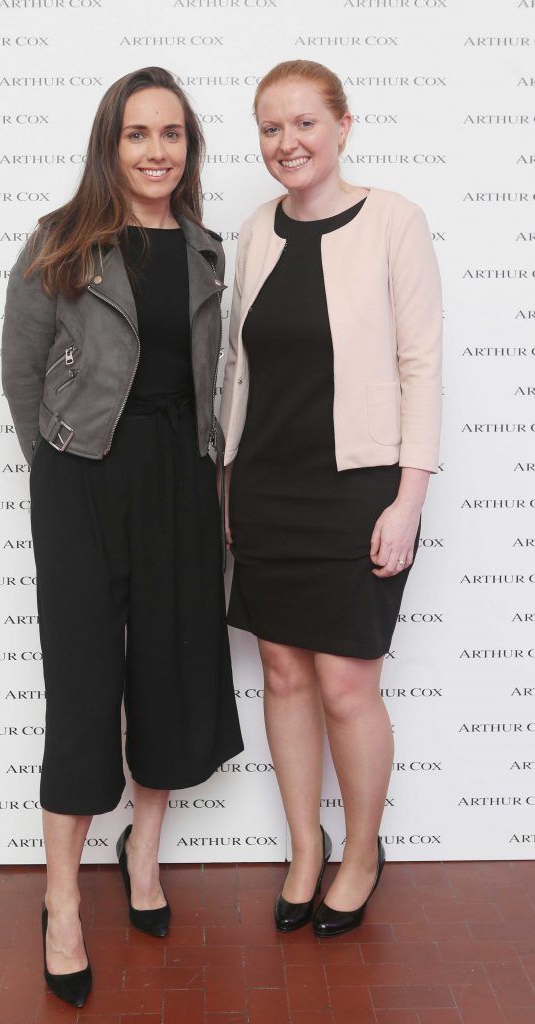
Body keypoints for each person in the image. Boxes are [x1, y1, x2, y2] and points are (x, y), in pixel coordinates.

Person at [1, 66, 243, 1007]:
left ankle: (146, 852)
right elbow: (22, 374)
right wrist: (61, 466)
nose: (155, 151)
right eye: (138, 134)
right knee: (85, 681)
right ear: (111, 144)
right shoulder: (61, 242)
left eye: (171, 135)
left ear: (188, 149)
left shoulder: (207, 250)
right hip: (84, 480)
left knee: (174, 671)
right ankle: (62, 898)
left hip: (182, 474)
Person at [219, 60, 442, 937]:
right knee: (282, 673)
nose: (287, 143)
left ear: (344, 125)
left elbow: (420, 364)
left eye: (305, 123)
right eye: (270, 128)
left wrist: (409, 499)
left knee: (348, 685)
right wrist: (228, 487)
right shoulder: (253, 230)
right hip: (268, 486)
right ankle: (303, 850)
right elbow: (240, 372)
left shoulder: (395, 221)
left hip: (360, 489)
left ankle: (359, 851)